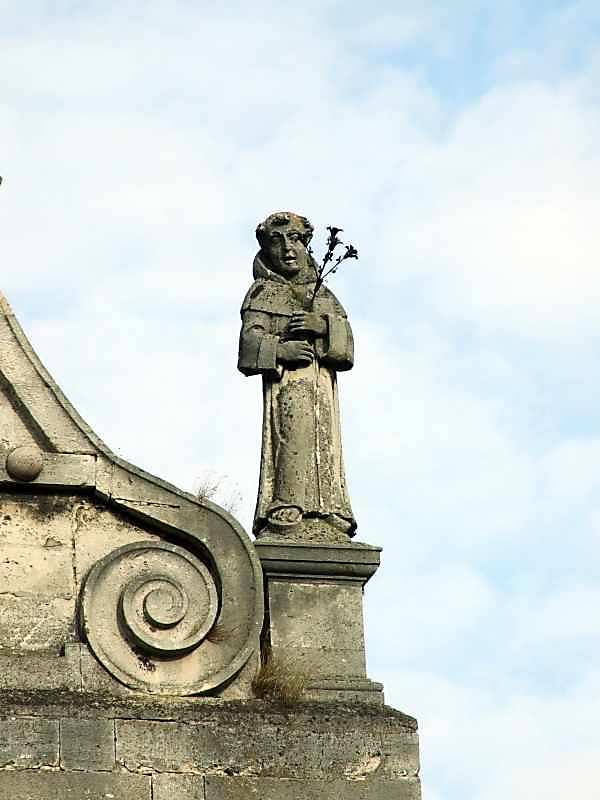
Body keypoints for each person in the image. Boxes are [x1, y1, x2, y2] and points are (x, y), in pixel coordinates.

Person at [238, 211, 356, 540]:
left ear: (306, 245)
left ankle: (331, 507)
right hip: (289, 384)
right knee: (292, 433)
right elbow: (249, 344)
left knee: (324, 441)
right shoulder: (262, 292)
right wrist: (280, 350)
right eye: (277, 242)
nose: (288, 249)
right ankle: (286, 502)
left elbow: (347, 346)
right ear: (266, 249)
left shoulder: (323, 295)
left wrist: (322, 325)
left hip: (322, 387)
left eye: (295, 240)